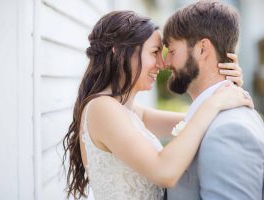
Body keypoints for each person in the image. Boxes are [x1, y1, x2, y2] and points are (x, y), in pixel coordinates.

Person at [63, 10, 252, 200]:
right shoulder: (102, 109)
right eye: (155, 52)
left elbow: (193, 122)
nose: (162, 64)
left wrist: (224, 84)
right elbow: (164, 172)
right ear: (119, 51)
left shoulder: (129, 112)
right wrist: (214, 103)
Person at [162, 1, 264, 199]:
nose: (166, 63)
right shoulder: (211, 115)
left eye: (172, 51)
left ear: (202, 49)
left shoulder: (230, 129)